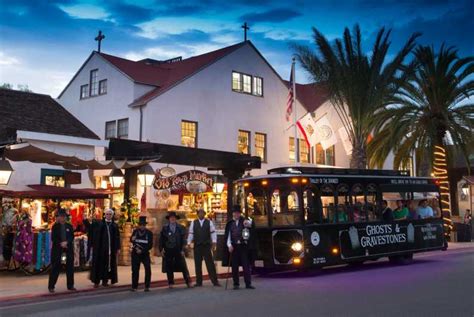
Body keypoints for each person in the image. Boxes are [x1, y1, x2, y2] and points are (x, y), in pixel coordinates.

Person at [223, 205, 255, 290]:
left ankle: (248, 283)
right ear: (233, 214)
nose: (236, 215)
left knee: (246, 265)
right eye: (235, 213)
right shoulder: (230, 223)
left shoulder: (244, 221)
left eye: (238, 213)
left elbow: (251, 225)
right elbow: (228, 236)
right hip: (234, 247)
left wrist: (248, 223)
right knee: (234, 266)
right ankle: (236, 284)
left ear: (240, 214)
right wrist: (229, 245)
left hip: (243, 246)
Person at [187, 209, 220, 287]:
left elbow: (213, 232)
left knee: (210, 264)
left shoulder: (209, 222)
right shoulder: (193, 222)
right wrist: (188, 242)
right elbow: (191, 233)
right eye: (200, 213)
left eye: (203, 213)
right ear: (197, 214)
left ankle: (215, 281)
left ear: (204, 214)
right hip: (197, 246)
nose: (201, 214)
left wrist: (214, 242)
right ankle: (199, 282)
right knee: (197, 264)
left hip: (206, 246)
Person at [90, 208, 121, 288]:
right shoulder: (100, 224)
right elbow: (92, 230)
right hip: (100, 249)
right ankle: (96, 282)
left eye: (110, 214)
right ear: (104, 215)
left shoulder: (114, 225)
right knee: (98, 264)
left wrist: (118, 248)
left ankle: (105, 281)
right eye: (107, 214)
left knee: (107, 266)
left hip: (110, 250)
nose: (108, 216)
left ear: (112, 215)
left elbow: (117, 237)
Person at [159, 212, 191, 288]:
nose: (172, 219)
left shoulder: (181, 227)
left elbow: (184, 239)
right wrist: (161, 249)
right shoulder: (165, 228)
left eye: (173, 217)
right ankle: (171, 283)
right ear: (169, 219)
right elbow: (161, 240)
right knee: (169, 266)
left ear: (176, 218)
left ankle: (188, 282)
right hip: (168, 249)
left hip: (178, 249)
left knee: (183, 266)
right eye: (171, 217)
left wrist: (183, 249)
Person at [48, 209, 75, 293]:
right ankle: (51, 286)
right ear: (58, 217)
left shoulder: (69, 226)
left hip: (68, 249)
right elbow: (53, 238)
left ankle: (70, 285)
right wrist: (61, 243)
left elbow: (72, 236)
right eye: (61, 216)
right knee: (55, 267)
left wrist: (67, 242)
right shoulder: (55, 227)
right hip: (58, 249)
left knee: (70, 267)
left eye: (64, 216)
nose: (62, 218)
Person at [130, 216, 153, 292]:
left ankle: (147, 286)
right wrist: (132, 240)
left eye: (143, 225)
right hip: (136, 253)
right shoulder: (135, 232)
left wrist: (142, 251)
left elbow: (150, 245)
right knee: (135, 270)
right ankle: (134, 286)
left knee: (148, 269)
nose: (142, 226)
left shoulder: (149, 233)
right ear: (139, 225)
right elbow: (132, 240)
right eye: (141, 225)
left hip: (145, 254)